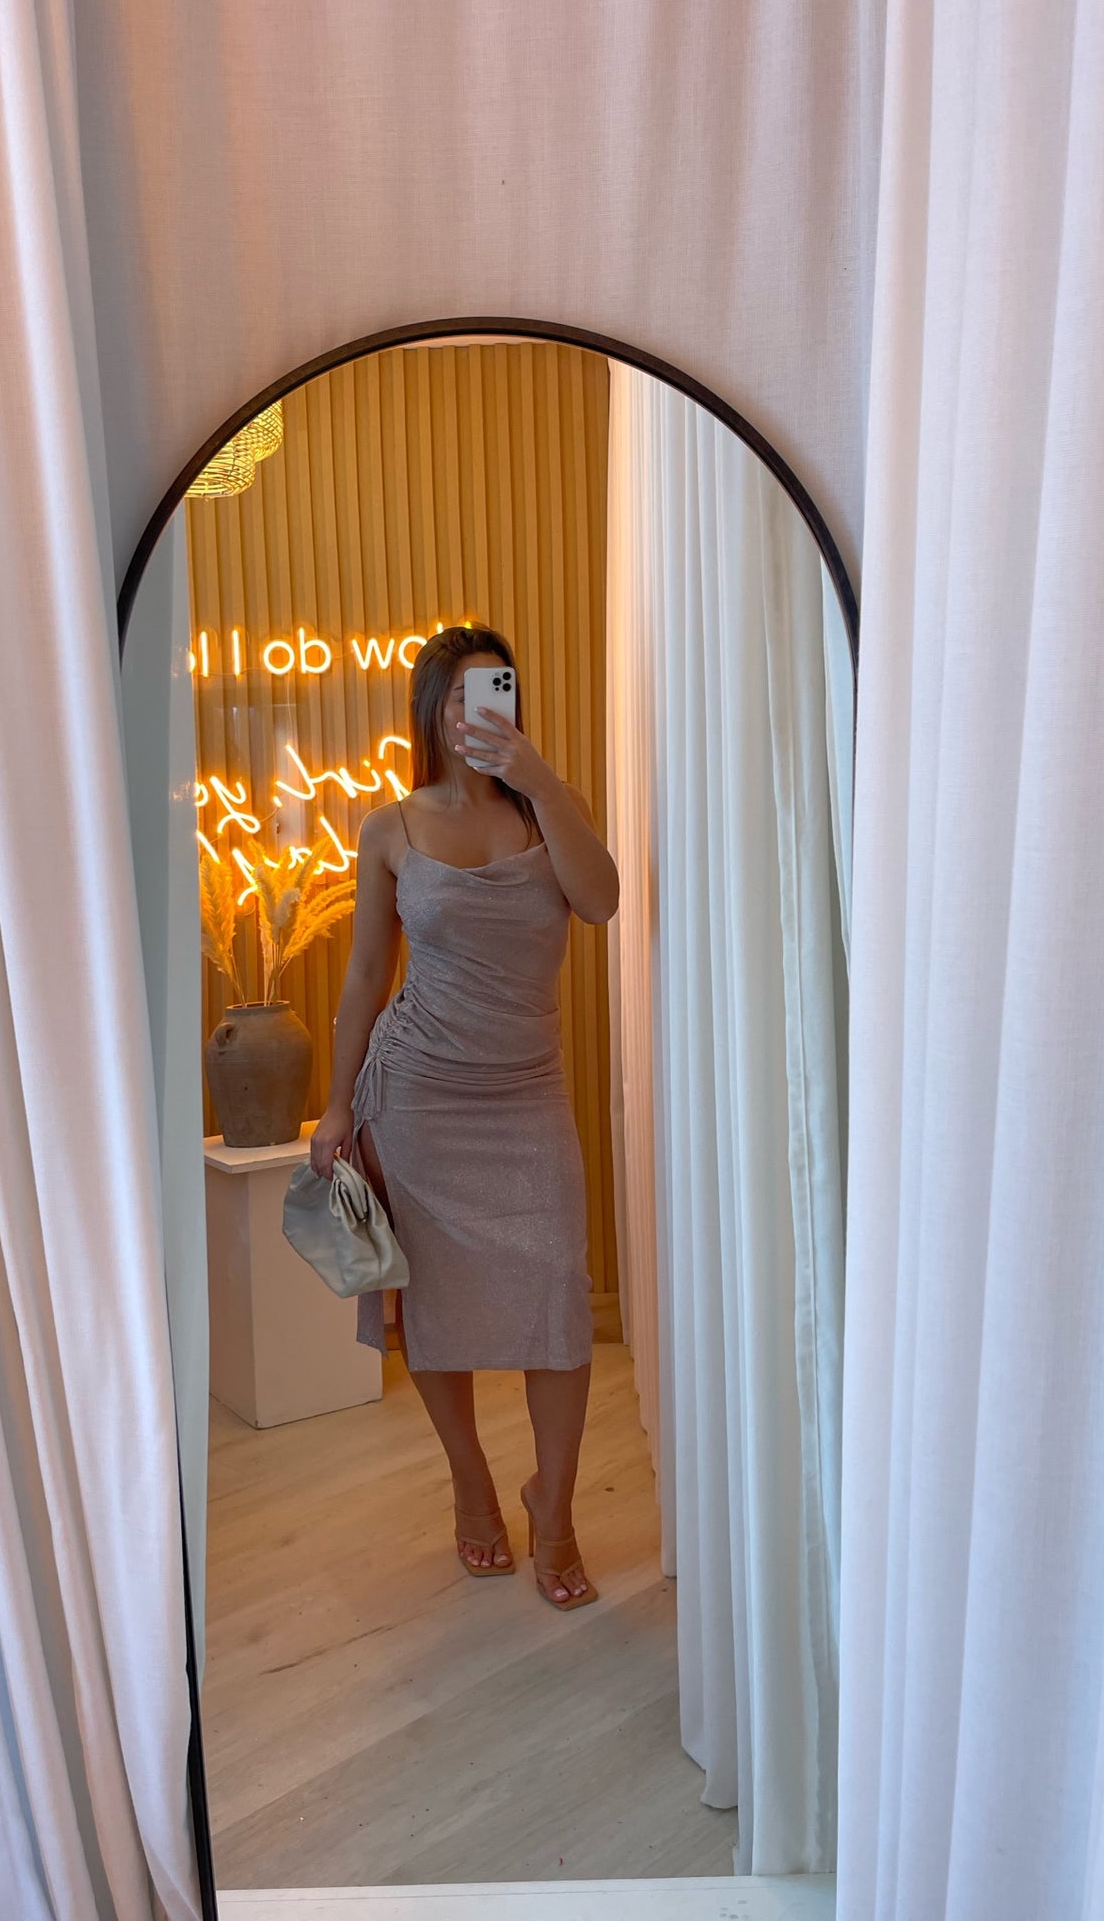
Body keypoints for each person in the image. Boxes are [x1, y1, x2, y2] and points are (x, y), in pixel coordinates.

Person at [311, 625, 619, 1611]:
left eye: (492, 691)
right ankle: (472, 1481)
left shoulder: (551, 807)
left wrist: (541, 782)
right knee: (435, 1307)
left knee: (556, 1303)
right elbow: (366, 973)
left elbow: (600, 902)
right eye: (456, 695)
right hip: (417, 1097)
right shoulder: (389, 827)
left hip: (526, 1096)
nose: (475, 710)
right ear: (430, 710)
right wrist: (335, 1103)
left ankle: (553, 1508)